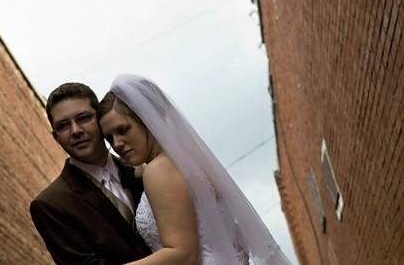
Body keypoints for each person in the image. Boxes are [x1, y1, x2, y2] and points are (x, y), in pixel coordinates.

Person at [98, 74, 292, 265]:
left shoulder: (158, 171)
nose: (117, 144)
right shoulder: (188, 161)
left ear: (148, 119)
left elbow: (183, 255)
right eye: (109, 138)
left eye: (123, 130)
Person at [30, 82, 152, 264]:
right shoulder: (50, 205)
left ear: (101, 120)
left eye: (84, 118)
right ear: (56, 137)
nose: (76, 130)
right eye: (63, 125)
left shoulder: (146, 169)